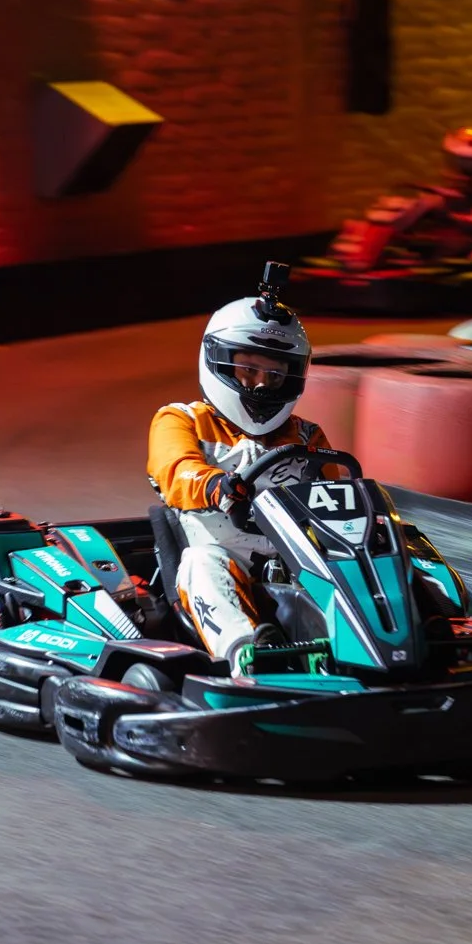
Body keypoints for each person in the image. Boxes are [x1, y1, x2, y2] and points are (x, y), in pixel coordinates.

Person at [147, 266, 334, 668]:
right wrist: (217, 486)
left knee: (377, 542)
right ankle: (246, 652)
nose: (263, 386)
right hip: (219, 559)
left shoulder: (306, 437)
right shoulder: (180, 420)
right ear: (220, 362)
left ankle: (431, 622)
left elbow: (335, 495)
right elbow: (176, 470)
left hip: (292, 563)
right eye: (249, 370)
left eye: (275, 373)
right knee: (203, 562)